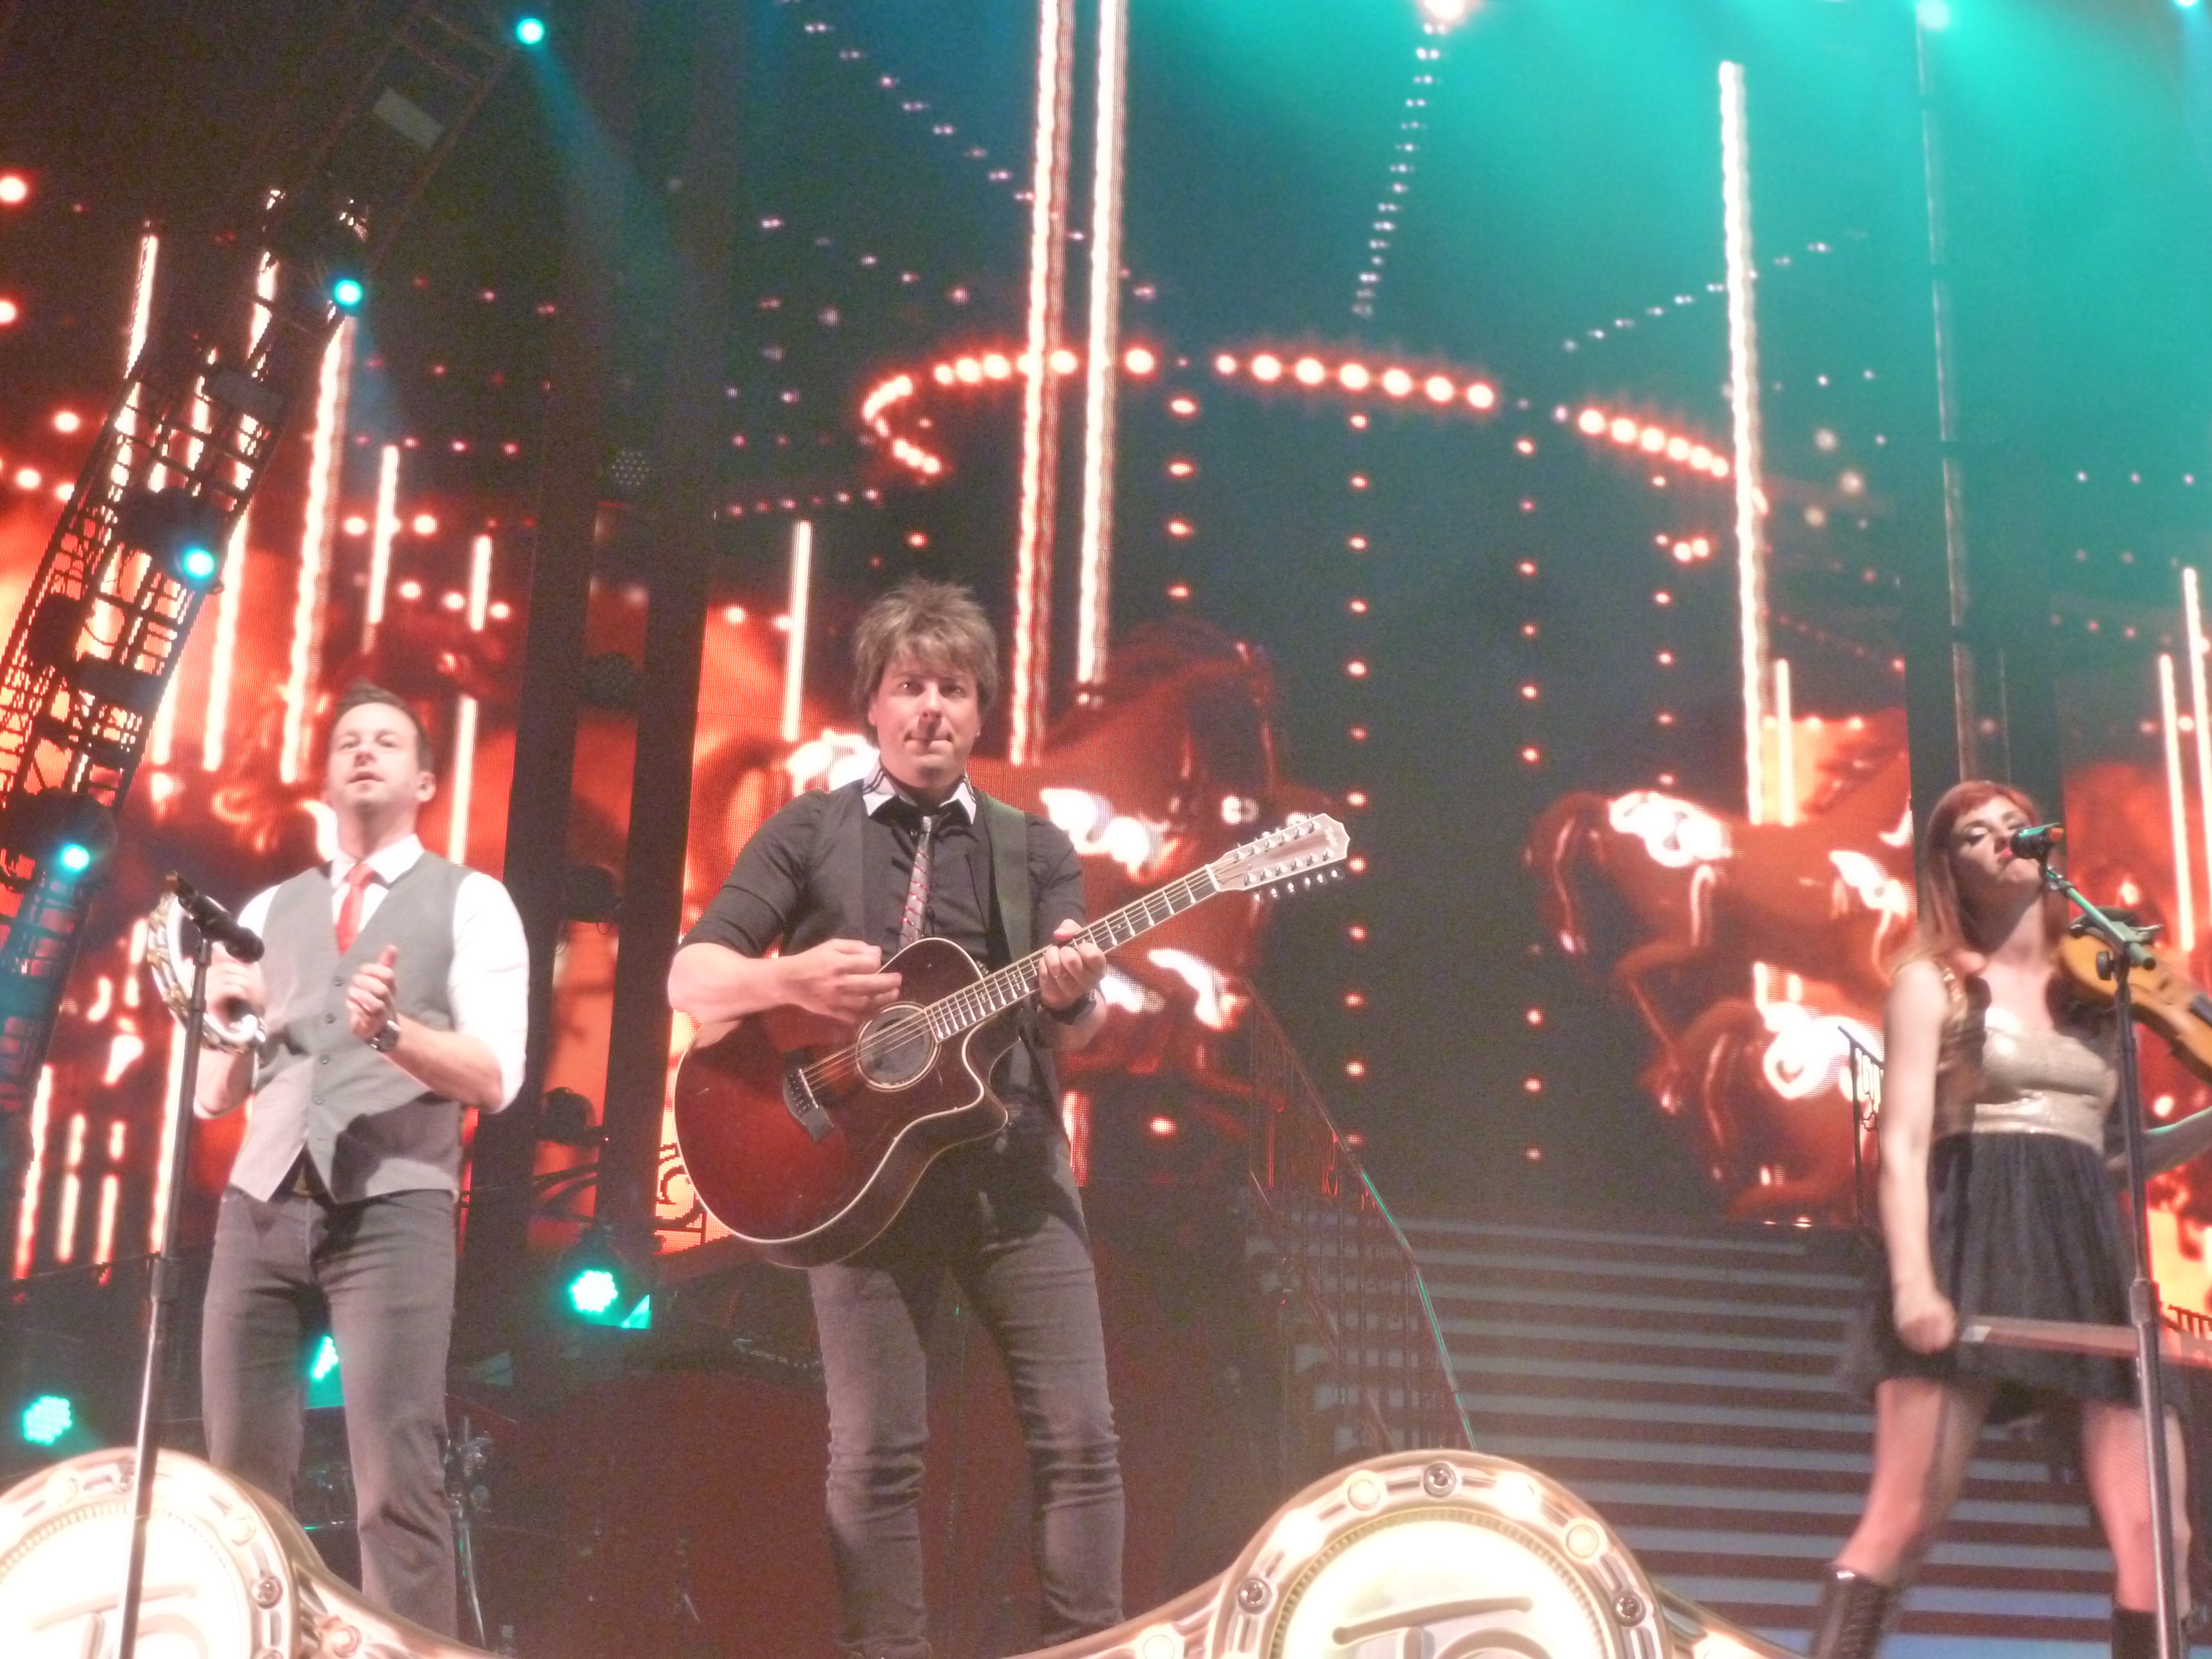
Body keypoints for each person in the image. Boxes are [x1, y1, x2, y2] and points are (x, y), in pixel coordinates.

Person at [668, 578, 1122, 1659]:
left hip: (1010, 1168)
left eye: (954, 690)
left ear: (980, 713)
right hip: (855, 1182)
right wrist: (790, 983)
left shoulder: (1033, 848)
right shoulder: (808, 830)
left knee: (1082, 1441)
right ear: (873, 704)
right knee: (876, 1456)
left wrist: (1074, 997)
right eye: (911, 687)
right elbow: (692, 977)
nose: (931, 710)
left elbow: (1079, 1027)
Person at [1813, 780, 2190, 1659]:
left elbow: (2108, 1155)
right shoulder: (1932, 981)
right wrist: (1915, 1284)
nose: (2000, 841)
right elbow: (1904, 1141)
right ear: (1948, 869)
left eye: (2013, 826)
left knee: (2158, 1537)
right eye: (1974, 834)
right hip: (1971, 1232)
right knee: (1904, 1521)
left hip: (2084, 1249)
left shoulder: (2097, 989)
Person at [195, 682, 528, 1636]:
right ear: (326, 779)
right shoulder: (269, 908)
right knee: (239, 1497)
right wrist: (220, 1016)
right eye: (348, 741)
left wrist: (393, 1034)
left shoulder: (473, 901)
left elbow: (495, 1077)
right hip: (260, 1210)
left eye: (387, 740)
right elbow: (212, 1097)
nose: (364, 752)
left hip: (394, 1211)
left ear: (424, 780)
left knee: (396, 1485)